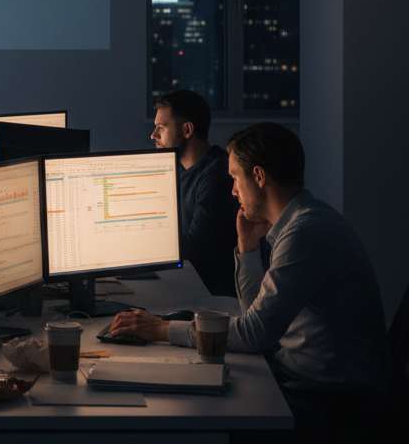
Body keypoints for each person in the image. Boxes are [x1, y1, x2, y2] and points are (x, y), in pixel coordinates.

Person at [111, 122, 390, 397]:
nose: (233, 191)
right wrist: (247, 247)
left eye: (235, 178)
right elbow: (254, 314)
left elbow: (254, 333)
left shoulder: (305, 234)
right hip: (306, 378)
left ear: (258, 176)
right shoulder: (307, 220)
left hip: (331, 398)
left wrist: (162, 329)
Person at [151, 89, 238, 296]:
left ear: (187, 130)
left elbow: (195, 246)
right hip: (188, 282)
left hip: (214, 296)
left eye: (161, 128)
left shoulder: (218, 173)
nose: (153, 135)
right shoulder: (179, 168)